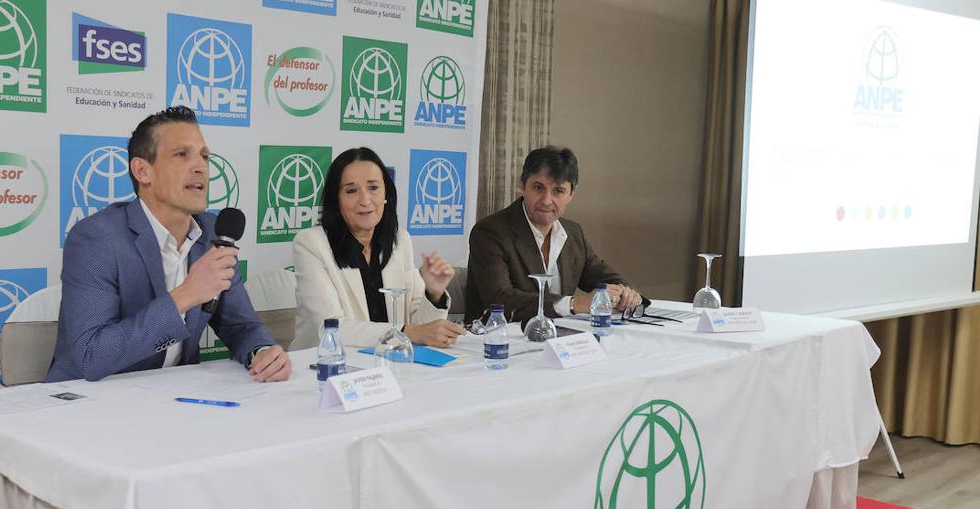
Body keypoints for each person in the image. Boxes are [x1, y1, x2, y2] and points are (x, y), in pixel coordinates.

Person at [46, 106, 291, 383]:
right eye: (181, 155)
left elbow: (241, 325)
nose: (200, 167)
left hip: (170, 400)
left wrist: (260, 352)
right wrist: (185, 295)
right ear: (142, 171)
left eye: (204, 156)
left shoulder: (214, 232)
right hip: (86, 403)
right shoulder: (96, 238)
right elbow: (91, 356)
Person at [291, 147, 465, 350]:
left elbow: (421, 328)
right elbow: (331, 326)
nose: (365, 200)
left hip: (389, 361)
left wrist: (433, 294)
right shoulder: (311, 244)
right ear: (336, 200)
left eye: (373, 188)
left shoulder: (400, 240)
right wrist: (408, 332)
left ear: (386, 194)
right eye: (351, 190)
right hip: (325, 364)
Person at [465, 146, 641, 324]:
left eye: (558, 191)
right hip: (495, 340)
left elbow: (605, 277)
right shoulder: (490, 232)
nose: (547, 200)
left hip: (557, 338)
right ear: (522, 186)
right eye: (538, 187)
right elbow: (500, 299)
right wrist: (574, 304)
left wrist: (625, 293)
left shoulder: (573, 233)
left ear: (571, 194)